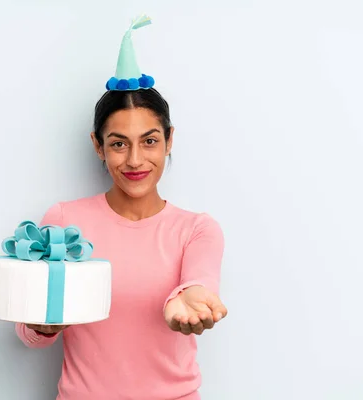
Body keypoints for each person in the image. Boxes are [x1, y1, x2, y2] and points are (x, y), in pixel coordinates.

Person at [15, 15, 227, 400]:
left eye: (149, 141)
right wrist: (41, 326)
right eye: (118, 144)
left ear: (169, 140)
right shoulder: (64, 221)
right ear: (98, 145)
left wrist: (190, 301)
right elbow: (29, 333)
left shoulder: (197, 229)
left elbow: (198, 283)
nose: (134, 160)